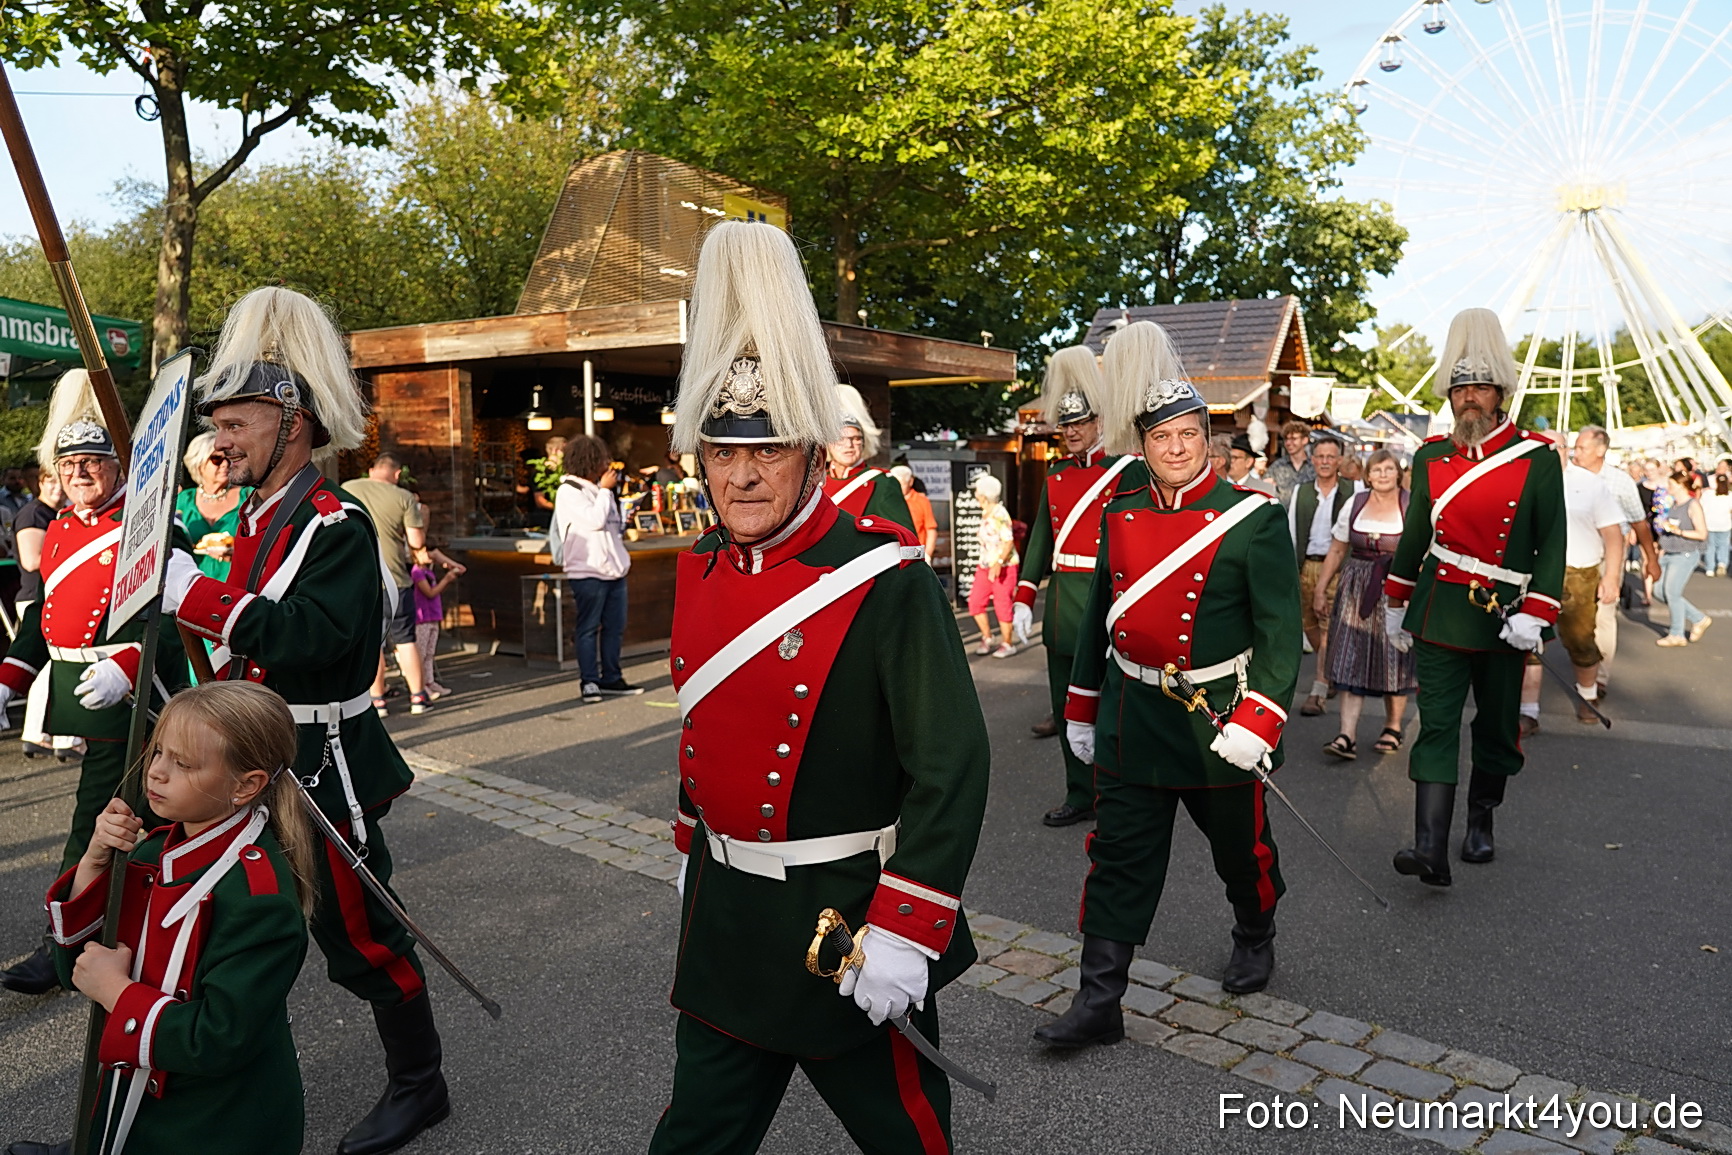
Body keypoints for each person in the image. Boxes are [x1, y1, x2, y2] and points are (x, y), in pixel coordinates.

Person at [651, 219, 988, 1154]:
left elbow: (951, 765)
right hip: (728, 919)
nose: (745, 471)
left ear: (807, 451)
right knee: (691, 1140)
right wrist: (693, 847)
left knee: (909, 1142)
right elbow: (704, 733)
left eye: (767, 449)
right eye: (723, 451)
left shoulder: (884, 577)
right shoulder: (701, 571)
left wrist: (909, 925)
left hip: (847, 926)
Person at [162, 285, 452, 1154]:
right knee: (226, 933)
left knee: (362, 935)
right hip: (244, 758)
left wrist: (199, 594)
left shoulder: (339, 524)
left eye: (236, 423)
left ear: (291, 420)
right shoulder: (255, 518)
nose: (219, 441)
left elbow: (315, 641)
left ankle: (420, 1083)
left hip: (317, 762)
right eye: (216, 425)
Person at [1039, 320, 1300, 1053]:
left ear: (1207, 437)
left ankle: (1256, 930)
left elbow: (1282, 636)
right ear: (1144, 442)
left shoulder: (1252, 519)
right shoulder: (1119, 513)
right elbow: (1098, 619)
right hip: (1132, 715)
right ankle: (1099, 999)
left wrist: (1261, 716)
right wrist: (1083, 703)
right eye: (1162, 436)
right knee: (1118, 857)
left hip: (1216, 719)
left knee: (1240, 851)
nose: (1177, 447)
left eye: (1189, 433)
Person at [9, 682, 314, 1155]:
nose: (156, 773)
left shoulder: (260, 899)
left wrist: (116, 990)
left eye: (184, 764)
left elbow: (217, 1038)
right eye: (158, 753)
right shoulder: (156, 848)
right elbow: (79, 970)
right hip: (134, 1088)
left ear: (246, 786)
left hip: (213, 1122)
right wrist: (94, 863)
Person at [0, 371, 189, 997]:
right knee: (126, 820)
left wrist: (129, 665)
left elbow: (173, 611)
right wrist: (9, 677)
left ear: (118, 467)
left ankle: (65, 951)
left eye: (94, 462)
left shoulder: (150, 524)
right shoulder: (60, 529)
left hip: (136, 698)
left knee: (101, 821)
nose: (81, 472)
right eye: (71, 462)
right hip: (86, 694)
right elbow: (44, 618)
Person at [1383, 308, 1564, 886]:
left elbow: (1552, 543)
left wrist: (1537, 613)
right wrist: (1395, 599)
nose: (1468, 400)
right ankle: (1429, 848)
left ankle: (1481, 821)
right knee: (1434, 725)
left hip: (1505, 617)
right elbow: (1416, 536)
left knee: (1494, 727)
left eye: (1479, 388)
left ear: (1500, 394)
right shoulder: (1430, 457)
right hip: (1440, 609)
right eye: (1460, 389)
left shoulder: (1537, 458)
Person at [1012, 344, 1144, 826]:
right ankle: (1078, 792)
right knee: (1065, 704)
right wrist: (1025, 595)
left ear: (1098, 422)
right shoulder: (1055, 475)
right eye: (1064, 426)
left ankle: (1116, 791)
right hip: (1065, 604)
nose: (1070, 433)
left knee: (1110, 707)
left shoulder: (1126, 470)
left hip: (1108, 598)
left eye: (1079, 424)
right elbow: (1040, 541)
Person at [1313, 449, 1415, 759]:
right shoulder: (1355, 503)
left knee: (1393, 658)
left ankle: (1393, 726)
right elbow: (1336, 548)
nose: (1383, 475)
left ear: (1397, 473)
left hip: (1396, 587)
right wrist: (1320, 587)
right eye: (1377, 470)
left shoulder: (1411, 505)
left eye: (1388, 469)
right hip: (1356, 587)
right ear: (1367, 476)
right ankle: (1347, 735)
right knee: (1348, 657)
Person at [552, 433, 642, 701]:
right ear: (590, 461)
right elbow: (593, 521)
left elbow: (609, 529)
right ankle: (589, 681)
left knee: (614, 627)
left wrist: (624, 516)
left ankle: (612, 677)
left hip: (613, 568)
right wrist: (605, 491)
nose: (608, 464)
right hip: (587, 570)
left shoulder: (598, 491)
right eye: (603, 458)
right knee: (589, 627)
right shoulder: (569, 490)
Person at [1573, 427, 1659, 700]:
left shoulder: (1620, 482)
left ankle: (1598, 677)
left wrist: (1651, 559)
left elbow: (1639, 523)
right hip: (1574, 552)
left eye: (1582, 448)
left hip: (1608, 554)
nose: (1576, 453)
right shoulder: (1567, 477)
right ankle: (1584, 661)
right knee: (1576, 616)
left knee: (1604, 614)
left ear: (1601, 450)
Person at [342, 453, 430, 716]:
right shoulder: (403, 497)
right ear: (396, 474)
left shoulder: (347, 488)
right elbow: (416, 543)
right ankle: (418, 697)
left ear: (371, 471)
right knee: (405, 640)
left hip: (359, 580)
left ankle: (377, 700)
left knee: (372, 642)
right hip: (395, 580)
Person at [1548, 432, 1624, 720]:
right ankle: (1527, 710)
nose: (1549, 451)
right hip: (1534, 571)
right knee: (1529, 642)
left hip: (1579, 571)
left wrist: (1612, 577)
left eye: (1555, 446)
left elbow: (1613, 534)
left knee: (1580, 639)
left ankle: (1588, 696)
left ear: (1566, 450)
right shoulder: (1521, 480)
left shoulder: (1589, 484)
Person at [10, 469, 78, 763]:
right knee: (46, 668)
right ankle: (39, 734)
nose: (55, 487)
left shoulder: (59, 513)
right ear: (39, 483)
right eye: (49, 481)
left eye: (57, 480)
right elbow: (30, 559)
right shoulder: (32, 513)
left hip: (57, 597)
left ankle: (57, 736)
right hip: (35, 599)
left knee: (58, 668)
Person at [1286, 435, 1350, 716]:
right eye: (1320, 456)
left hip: (1337, 566)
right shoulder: (1301, 492)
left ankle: (1319, 689)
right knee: (1308, 624)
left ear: (1339, 461)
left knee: (1327, 627)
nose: (1325, 462)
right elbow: (1291, 534)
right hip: (1306, 565)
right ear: (1312, 460)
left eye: (1330, 457)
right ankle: (1332, 670)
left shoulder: (1353, 489)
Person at [822, 383, 913, 528]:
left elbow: (904, 539)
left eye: (856, 439)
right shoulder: (817, 484)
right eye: (840, 439)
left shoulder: (882, 483)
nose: (849, 445)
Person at [176, 430, 246, 580]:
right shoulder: (181, 501)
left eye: (229, 458)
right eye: (216, 459)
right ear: (199, 463)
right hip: (192, 588)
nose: (225, 464)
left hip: (236, 586)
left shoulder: (248, 497)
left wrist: (238, 553)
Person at [1654, 471, 1710, 648]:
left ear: (1681, 486)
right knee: (1658, 590)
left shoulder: (1692, 505)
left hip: (1685, 553)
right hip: (1669, 551)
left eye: (1671, 484)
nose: (1668, 488)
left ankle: (1677, 633)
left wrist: (1679, 532)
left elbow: (1702, 534)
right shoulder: (1674, 505)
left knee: (1672, 593)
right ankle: (1698, 618)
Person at [967, 472, 1019, 657]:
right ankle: (987, 637)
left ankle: (1008, 643)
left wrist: (998, 562)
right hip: (985, 565)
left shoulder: (999, 513)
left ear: (984, 494)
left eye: (978, 491)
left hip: (1003, 566)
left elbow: (1008, 541)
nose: (975, 494)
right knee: (975, 603)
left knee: (1002, 604)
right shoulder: (985, 511)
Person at [410, 545, 457, 700]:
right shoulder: (417, 573)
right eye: (425, 551)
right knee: (421, 653)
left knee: (430, 653)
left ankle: (430, 681)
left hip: (433, 616)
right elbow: (430, 593)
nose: (429, 555)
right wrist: (447, 579)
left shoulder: (427, 571)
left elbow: (461, 568)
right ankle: (421, 684)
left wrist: (444, 560)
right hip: (421, 618)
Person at [889, 465, 938, 559]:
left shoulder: (921, 500)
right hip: (892, 551)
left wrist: (927, 555)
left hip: (915, 550)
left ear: (910, 482)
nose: (897, 488)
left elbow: (931, 530)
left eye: (901, 484)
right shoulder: (887, 500)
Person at [1266, 419, 1315, 504]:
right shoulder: (1277, 467)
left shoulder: (1315, 466)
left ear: (1305, 440)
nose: (1288, 443)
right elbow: (1265, 489)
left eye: (1293, 439)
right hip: (1283, 515)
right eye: (1286, 439)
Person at [1699, 474, 1732, 576]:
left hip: (1709, 523)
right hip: (1725, 524)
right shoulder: (1730, 495)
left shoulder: (1708, 494)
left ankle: (1710, 568)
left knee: (1710, 546)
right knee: (1723, 545)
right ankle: (1722, 563)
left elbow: (1701, 506)